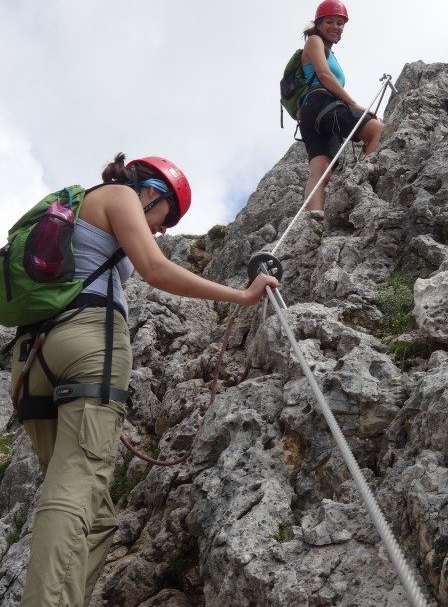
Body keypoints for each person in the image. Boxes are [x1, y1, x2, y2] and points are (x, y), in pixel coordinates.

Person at [10, 153, 279, 607]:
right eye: (165, 216)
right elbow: (155, 269)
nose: (162, 228)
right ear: (152, 190)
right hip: (87, 342)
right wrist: (243, 296)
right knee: (78, 483)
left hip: (30, 361)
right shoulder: (118, 196)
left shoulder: (73, 210)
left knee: (97, 519)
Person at [298, 0, 384, 212]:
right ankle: (368, 183)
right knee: (378, 131)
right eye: (330, 22)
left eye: (340, 23)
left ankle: (312, 221)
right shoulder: (314, 42)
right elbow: (324, 75)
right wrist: (353, 104)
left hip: (310, 113)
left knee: (321, 172)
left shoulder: (328, 51)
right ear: (318, 24)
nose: (335, 27)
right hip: (321, 103)